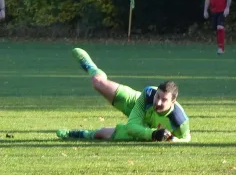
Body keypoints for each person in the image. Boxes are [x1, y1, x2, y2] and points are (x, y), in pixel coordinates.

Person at [56, 48, 191, 142]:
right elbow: (132, 126)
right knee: (98, 82)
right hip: (136, 104)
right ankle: (91, 67)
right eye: (158, 97)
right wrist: (154, 134)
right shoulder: (148, 95)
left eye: (164, 100)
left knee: (101, 134)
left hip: (146, 128)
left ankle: (76, 134)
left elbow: (186, 139)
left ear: (173, 102)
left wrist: (168, 138)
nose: (159, 102)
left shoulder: (179, 121)